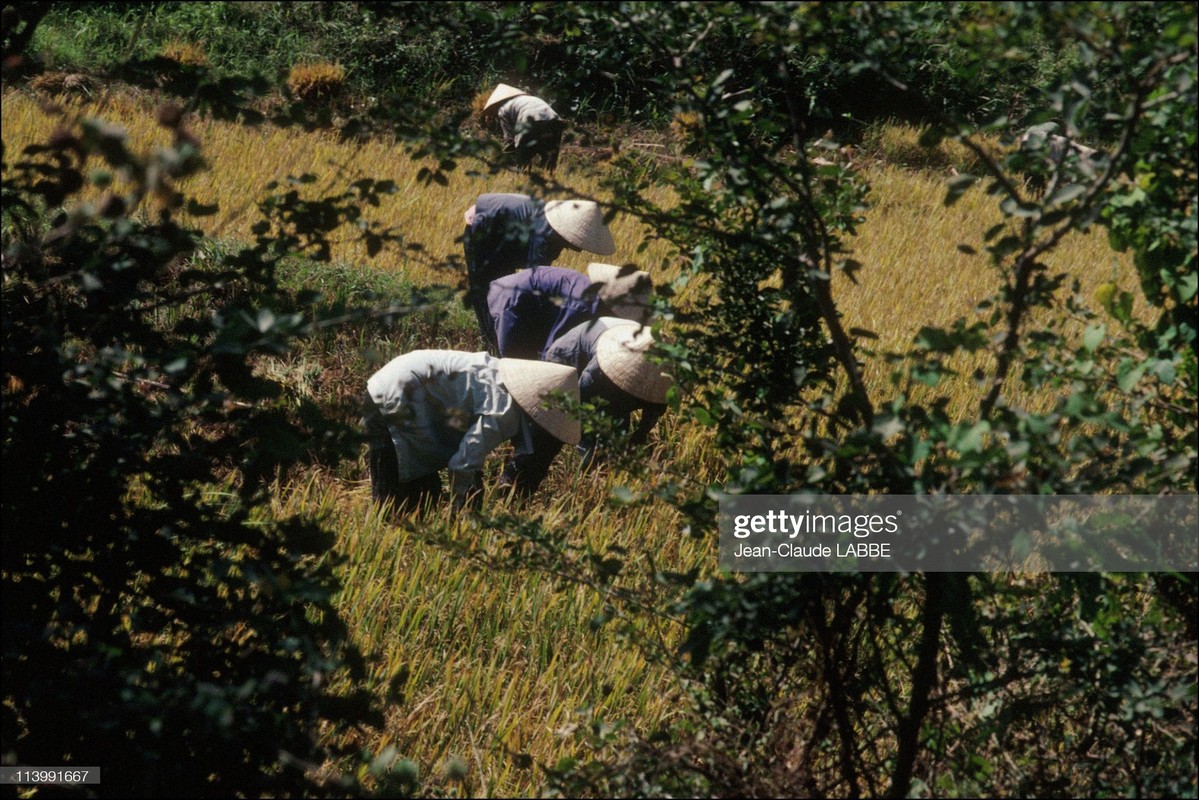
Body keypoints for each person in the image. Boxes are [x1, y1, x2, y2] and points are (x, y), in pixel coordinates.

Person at [363, 350, 581, 513]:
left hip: (401, 381)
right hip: (398, 395)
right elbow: (464, 463)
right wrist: (463, 512)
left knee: (425, 498)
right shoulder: (505, 410)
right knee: (397, 504)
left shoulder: (502, 376)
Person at [500, 319, 671, 494]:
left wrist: (637, 438)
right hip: (569, 356)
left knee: (613, 441)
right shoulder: (602, 372)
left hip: (613, 361)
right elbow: (579, 414)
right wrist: (594, 458)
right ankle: (514, 486)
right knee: (548, 433)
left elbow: (653, 410)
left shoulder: (665, 378)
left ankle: (602, 488)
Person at [462, 193, 616, 351]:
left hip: (501, 234)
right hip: (483, 231)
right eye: (579, 241)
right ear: (569, 233)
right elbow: (531, 280)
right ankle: (491, 345)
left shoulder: (553, 222)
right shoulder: (544, 237)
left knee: (505, 288)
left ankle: (496, 338)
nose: (579, 249)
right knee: (487, 293)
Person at [484, 262, 654, 361]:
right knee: (514, 366)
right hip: (512, 300)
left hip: (533, 308)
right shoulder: (584, 307)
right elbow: (553, 351)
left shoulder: (596, 303)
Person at [481, 83, 568, 174]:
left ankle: (520, 177)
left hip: (530, 121)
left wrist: (505, 156)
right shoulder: (528, 99)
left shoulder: (502, 109)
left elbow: (509, 139)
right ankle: (549, 180)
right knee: (550, 157)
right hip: (555, 121)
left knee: (522, 157)